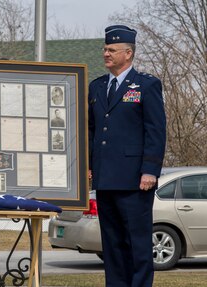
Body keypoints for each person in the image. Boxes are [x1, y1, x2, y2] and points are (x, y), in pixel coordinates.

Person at [88, 25, 166, 287]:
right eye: (105, 49)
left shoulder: (147, 85)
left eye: (111, 50)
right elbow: (92, 130)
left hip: (135, 181)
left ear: (128, 53)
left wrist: (150, 170)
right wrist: (89, 166)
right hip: (105, 179)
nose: (105, 53)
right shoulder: (97, 87)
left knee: (137, 244)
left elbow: (155, 131)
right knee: (112, 244)